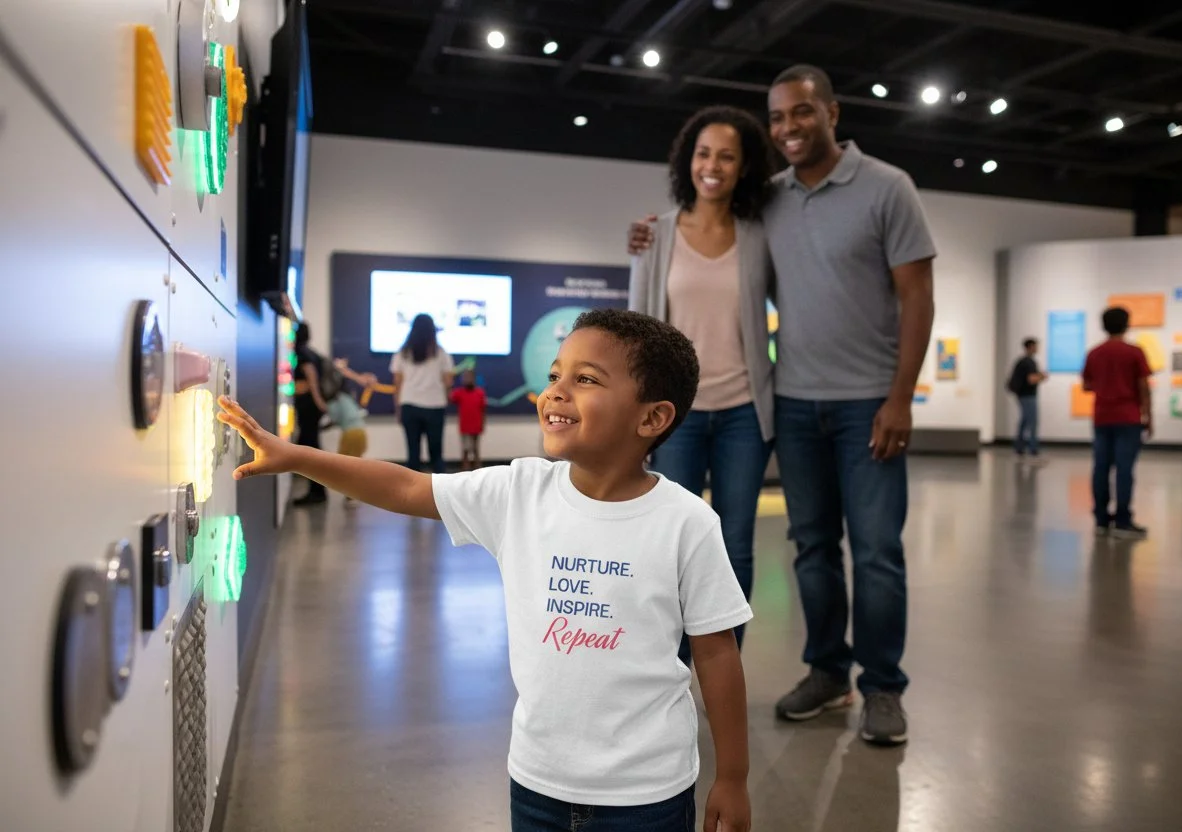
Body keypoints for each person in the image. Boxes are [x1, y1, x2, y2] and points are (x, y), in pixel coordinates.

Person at [216, 309, 753, 832]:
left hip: (647, 792)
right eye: (554, 375)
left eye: (586, 379)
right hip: (538, 779)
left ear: (652, 418)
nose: (556, 391)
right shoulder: (518, 492)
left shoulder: (687, 522)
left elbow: (716, 651)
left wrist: (732, 777)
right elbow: (405, 486)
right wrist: (297, 456)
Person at [628, 64, 936, 746]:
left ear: (831, 111)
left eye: (802, 113)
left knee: (877, 552)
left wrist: (900, 398)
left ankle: (882, 686)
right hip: (793, 403)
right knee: (812, 549)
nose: (790, 126)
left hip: (858, 404)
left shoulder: (886, 187)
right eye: (779, 117)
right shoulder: (768, 199)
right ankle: (827, 672)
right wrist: (644, 237)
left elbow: (917, 294)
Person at [628, 105, 775, 664]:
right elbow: (637, 328)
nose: (713, 165)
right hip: (676, 416)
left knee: (735, 544)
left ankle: (722, 671)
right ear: (688, 161)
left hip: (743, 412)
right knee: (674, 546)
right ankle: (673, 670)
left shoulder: (758, 236)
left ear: (744, 168)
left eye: (727, 156)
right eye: (704, 153)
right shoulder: (655, 235)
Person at [1081, 307, 1151, 539]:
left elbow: (1086, 385)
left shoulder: (1094, 353)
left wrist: (1104, 384)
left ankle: (1101, 520)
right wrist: (1147, 417)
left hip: (1102, 417)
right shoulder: (1134, 352)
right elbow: (1143, 386)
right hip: (1128, 417)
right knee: (1124, 470)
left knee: (1100, 468)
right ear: (1127, 324)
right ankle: (1122, 520)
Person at [292, 322, 375, 506]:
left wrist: (318, 400)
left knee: (341, 464)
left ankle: (337, 492)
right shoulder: (314, 355)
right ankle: (343, 493)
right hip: (356, 433)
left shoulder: (304, 355)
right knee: (344, 463)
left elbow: (311, 376)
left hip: (347, 431)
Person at [390, 313, 455, 473]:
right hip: (435, 406)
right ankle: (441, 495)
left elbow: (397, 384)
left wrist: (398, 409)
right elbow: (448, 382)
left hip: (409, 405)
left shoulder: (403, 353)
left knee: (413, 455)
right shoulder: (440, 354)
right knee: (436, 455)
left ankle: (412, 496)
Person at [1007, 337, 1049, 461]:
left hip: (1022, 395)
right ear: (1030, 347)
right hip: (1028, 395)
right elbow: (1031, 379)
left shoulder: (1022, 361)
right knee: (1032, 422)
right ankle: (1033, 449)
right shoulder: (1029, 362)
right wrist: (1042, 376)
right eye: (1035, 346)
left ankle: (1019, 447)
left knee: (1024, 421)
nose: (1037, 348)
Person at [326, 386, 369, 503]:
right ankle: (351, 494)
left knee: (345, 465)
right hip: (361, 431)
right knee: (354, 464)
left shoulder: (332, 402)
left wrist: (322, 427)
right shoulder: (346, 397)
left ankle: (351, 494)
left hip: (350, 434)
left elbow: (333, 418)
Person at [449, 369, 488, 471]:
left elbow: (483, 410)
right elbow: (450, 398)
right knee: (465, 450)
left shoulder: (480, 393)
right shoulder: (459, 393)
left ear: (474, 379)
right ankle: (465, 471)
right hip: (465, 427)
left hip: (476, 427)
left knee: (476, 450)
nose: (467, 380)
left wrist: (483, 424)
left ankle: (478, 471)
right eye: (465, 377)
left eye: (470, 377)